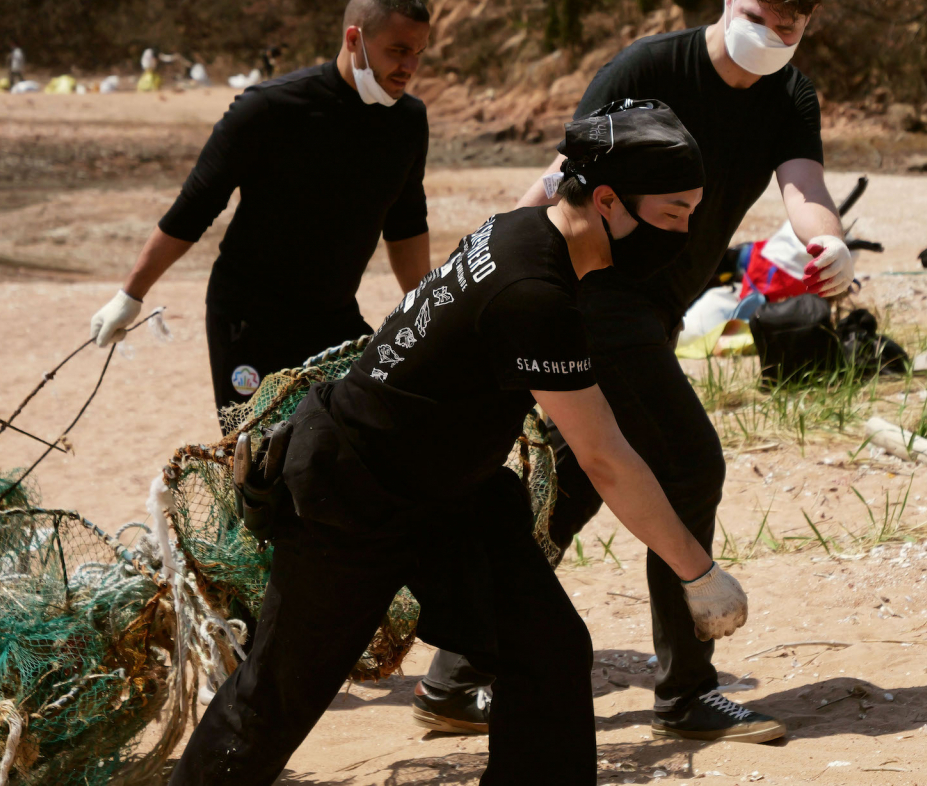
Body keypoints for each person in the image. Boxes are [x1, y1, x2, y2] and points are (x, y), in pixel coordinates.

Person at [167, 99, 748, 786]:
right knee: (277, 695)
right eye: (675, 212)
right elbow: (605, 459)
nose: (684, 231)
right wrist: (697, 572)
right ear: (609, 199)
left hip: (451, 490)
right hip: (351, 490)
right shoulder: (533, 289)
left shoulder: (526, 232)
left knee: (548, 646)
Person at [418, 0, 847, 745]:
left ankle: (454, 673)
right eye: (759, 16)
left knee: (574, 487)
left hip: (658, 311)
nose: (772, 38)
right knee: (687, 462)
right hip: (596, 297)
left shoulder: (791, 96)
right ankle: (686, 693)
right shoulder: (648, 68)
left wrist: (828, 242)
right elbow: (561, 180)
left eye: (790, 28)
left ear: (809, 25)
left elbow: (803, 186)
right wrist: (496, 274)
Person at [89, 0, 434, 408]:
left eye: (418, 53)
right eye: (398, 50)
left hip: (333, 318)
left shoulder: (407, 122)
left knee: (363, 441)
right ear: (354, 39)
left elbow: (405, 224)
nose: (409, 67)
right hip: (249, 322)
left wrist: (427, 316)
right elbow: (195, 206)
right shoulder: (269, 108)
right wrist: (130, 295)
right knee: (263, 464)